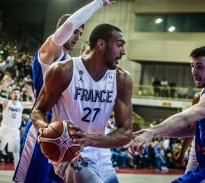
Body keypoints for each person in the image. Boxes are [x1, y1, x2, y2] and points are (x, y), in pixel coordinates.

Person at [13, 0, 116, 182]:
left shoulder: (71, 66)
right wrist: (98, 3)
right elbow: (68, 26)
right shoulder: (50, 54)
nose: (76, 36)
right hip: (43, 130)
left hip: (66, 134)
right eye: (75, 31)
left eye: (80, 33)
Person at [31, 23, 133, 182]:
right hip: (69, 151)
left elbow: (126, 133)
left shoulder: (122, 79)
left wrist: (90, 139)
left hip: (102, 152)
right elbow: (38, 111)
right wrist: (48, 131)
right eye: (119, 45)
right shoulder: (63, 71)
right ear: (101, 44)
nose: (123, 52)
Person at [130, 46, 205, 182]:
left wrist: (153, 131)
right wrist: (156, 133)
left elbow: (185, 118)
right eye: (192, 66)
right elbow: (192, 129)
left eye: (199, 67)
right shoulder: (204, 94)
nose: (194, 72)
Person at [0, 77, 35, 182]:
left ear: (20, 95)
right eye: (14, 93)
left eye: (18, 93)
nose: (16, 94)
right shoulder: (6, 102)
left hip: (15, 132)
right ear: (11, 95)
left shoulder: (22, 104)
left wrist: (30, 93)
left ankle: (18, 177)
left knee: (16, 155)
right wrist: (2, 86)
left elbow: (35, 103)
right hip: (4, 130)